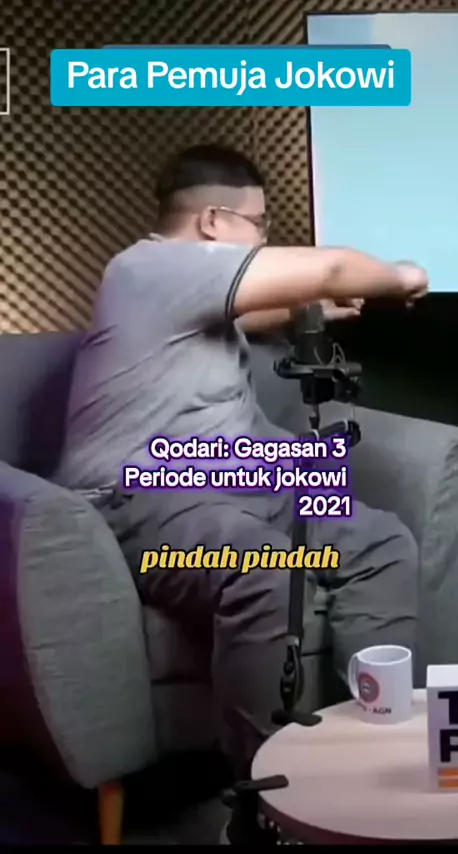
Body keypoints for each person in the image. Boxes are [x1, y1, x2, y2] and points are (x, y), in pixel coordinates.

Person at [54, 144, 428, 838]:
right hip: (143, 493)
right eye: (259, 224)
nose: (263, 237)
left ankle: (371, 745)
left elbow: (251, 313)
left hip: (236, 476)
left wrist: (311, 307)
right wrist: (401, 276)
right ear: (213, 222)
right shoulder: (148, 266)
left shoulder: (176, 287)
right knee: (263, 570)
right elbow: (333, 265)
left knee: (380, 543)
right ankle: (266, 804)